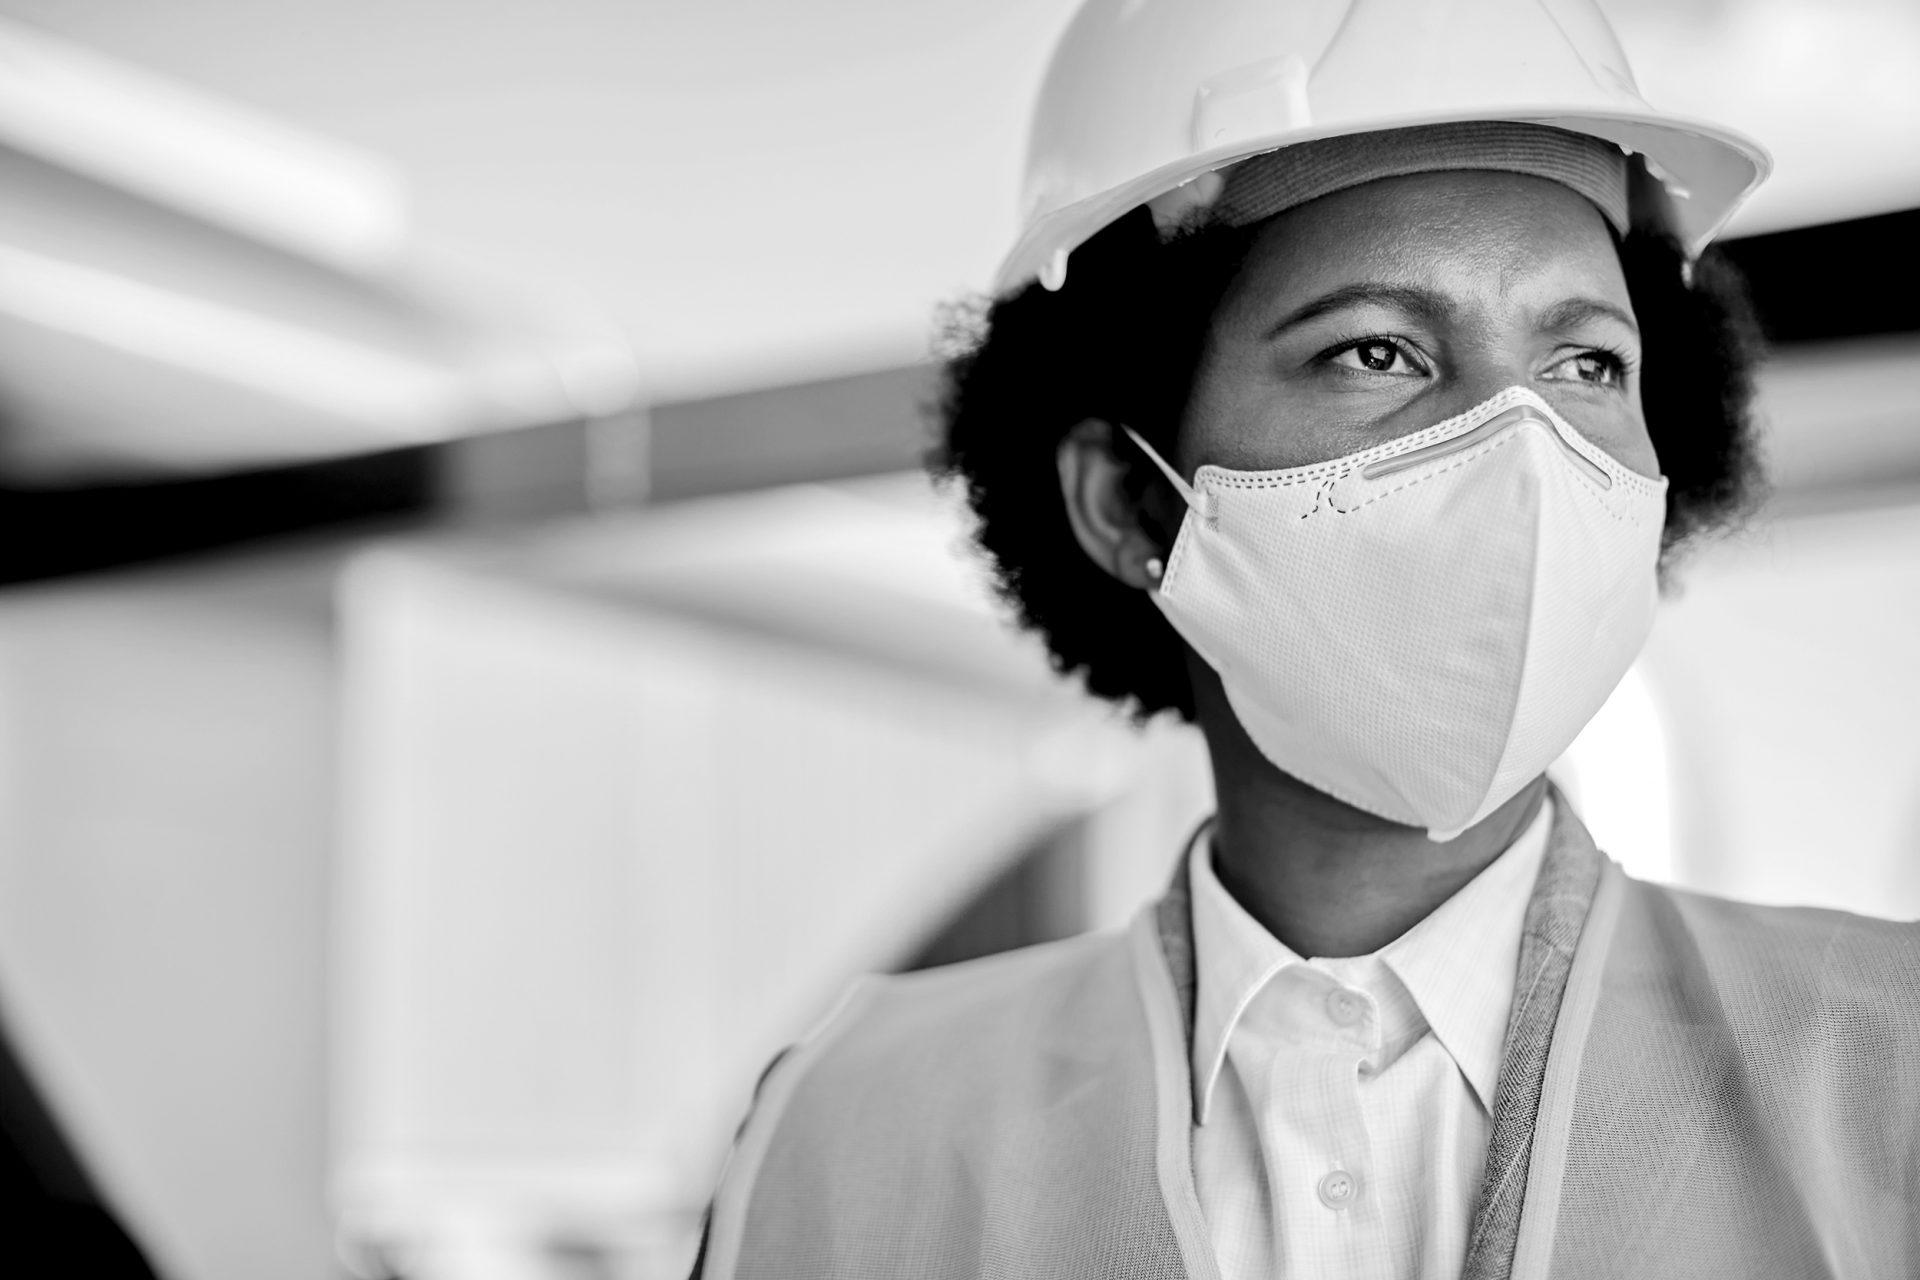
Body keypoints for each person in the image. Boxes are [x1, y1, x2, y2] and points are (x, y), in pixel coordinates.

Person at [694, 1, 1920, 1276]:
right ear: (1128, 501)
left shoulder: (1890, 1066)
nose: (1522, 455)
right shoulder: (853, 1129)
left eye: (1587, 365)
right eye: (1377, 349)